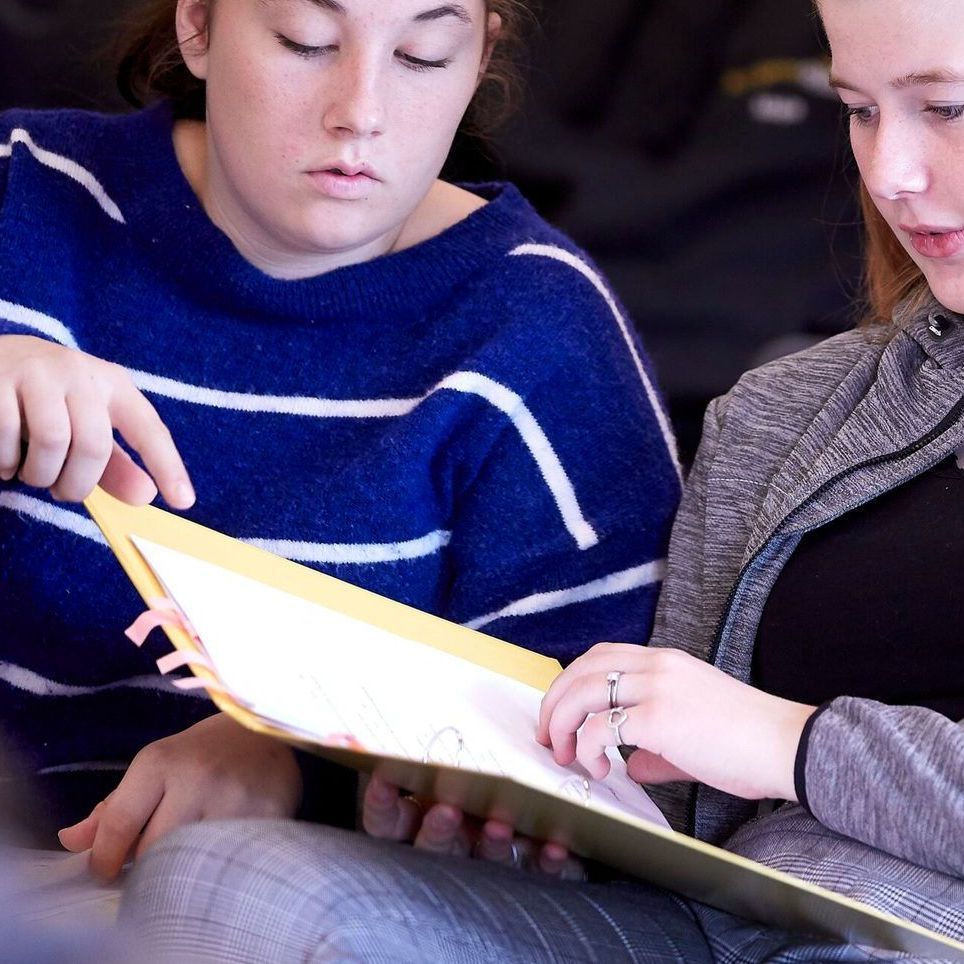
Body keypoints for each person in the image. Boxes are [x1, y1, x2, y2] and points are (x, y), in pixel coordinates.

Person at [119, 0, 964, 960]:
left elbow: (762, 744)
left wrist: (793, 748)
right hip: (722, 923)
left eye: (946, 108)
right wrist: (522, 804)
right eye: (859, 110)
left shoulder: (535, 314)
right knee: (223, 882)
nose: (890, 172)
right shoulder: (785, 412)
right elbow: (673, 823)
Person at [0, 0, 681, 883]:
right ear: (197, 26)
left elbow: (607, 743)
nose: (360, 110)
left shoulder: (538, 335)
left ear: (481, 57)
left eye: (424, 55)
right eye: (306, 42)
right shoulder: (24, 187)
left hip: (248, 907)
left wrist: (301, 761)